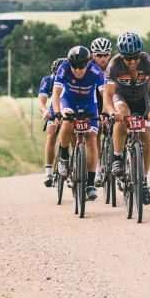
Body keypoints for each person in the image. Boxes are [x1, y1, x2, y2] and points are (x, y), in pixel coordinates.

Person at [103, 31, 150, 205]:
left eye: (135, 58)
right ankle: (117, 157)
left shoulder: (149, 62)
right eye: (128, 59)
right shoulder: (114, 65)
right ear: (121, 57)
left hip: (141, 99)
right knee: (122, 115)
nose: (132, 62)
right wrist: (111, 112)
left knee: (146, 135)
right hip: (121, 97)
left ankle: (143, 181)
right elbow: (108, 95)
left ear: (141, 55)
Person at [51, 45, 105, 201]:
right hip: (69, 101)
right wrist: (57, 112)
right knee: (67, 123)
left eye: (81, 67)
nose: (78, 70)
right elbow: (56, 94)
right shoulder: (64, 68)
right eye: (74, 67)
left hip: (90, 104)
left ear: (88, 63)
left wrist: (106, 111)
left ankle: (90, 184)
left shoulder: (95, 71)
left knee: (92, 137)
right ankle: (63, 155)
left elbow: (105, 94)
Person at [39, 57, 65, 187]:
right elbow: (42, 100)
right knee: (51, 134)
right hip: (54, 111)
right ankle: (48, 171)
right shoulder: (48, 80)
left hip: (68, 109)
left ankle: (74, 164)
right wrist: (44, 111)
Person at [90, 37, 112, 187]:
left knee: (118, 125)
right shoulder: (89, 67)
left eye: (105, 55)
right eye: (99, 55)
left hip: (110, 99)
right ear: (92, 55)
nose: (103, 59)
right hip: (94, 100)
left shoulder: (115, 66)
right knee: (96, 131)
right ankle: (98, 168)